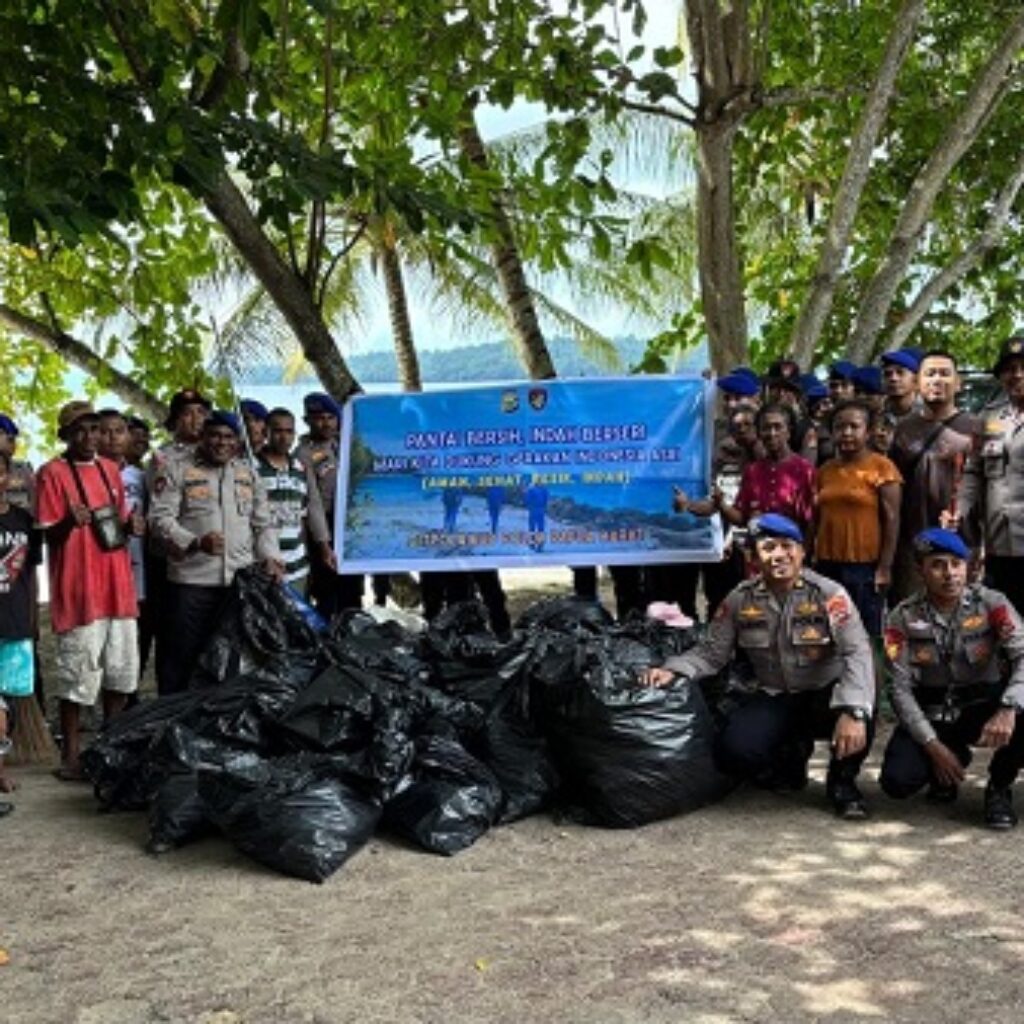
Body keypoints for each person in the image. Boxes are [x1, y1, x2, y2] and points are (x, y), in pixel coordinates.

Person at [643, 514, 875, 819]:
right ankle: (790, 755)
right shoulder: (740, 599)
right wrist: (674, 668)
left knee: (859, 719)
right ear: (753, 557)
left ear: (802, 552)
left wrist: (854, 710)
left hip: (824, 694)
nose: (778, 555)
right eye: (767, 548)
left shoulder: (830, 595)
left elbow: (857, 652)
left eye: (787, 546)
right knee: (734, 752)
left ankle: (843, 784)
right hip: (776, 695)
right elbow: (712, 653)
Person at [879, 528, 1024, 830]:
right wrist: (933, 746)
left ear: (968, 567)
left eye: (956, 564)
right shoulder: (901, 618)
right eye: (938, 564)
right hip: (932, 713)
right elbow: (899, 688)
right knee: (897, 781)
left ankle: (999, 787)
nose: (950, 574)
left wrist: (1009, 708)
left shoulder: (993, 604)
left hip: (982, 706)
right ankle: (944, 766)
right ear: (921, 570)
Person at [36, 401, 140, 780]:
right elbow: (46, 533)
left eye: (94, 429)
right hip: (80, 588)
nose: (90, 437)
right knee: (77, 675)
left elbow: (118, 522)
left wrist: (133, 527)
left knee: (120, 671)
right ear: (64, 435)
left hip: (117, 586)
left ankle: (108, 747)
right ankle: (72, 756)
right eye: (80, 430)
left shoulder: (111, 468)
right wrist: (68, 521)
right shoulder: (52, 473)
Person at [148, 411, 282, 695]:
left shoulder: (248, 473)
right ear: (202, 437)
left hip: (237, 584)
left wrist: (271, 556)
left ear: (236, 442)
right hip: (191, 585)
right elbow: (159, 520)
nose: (221, 443)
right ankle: (173, 723)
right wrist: (195, 542)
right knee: (181, 660)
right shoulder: (176, 468)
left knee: (229, 660)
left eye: (228, 437)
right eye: (215, 436)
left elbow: (263, 523)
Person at [888, 350, 976, 604]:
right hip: (912, 547)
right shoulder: (903, 430)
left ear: (958, 383)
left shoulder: (976, 428)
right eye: (930, 374)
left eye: (945, 374)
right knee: (912, 621)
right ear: (917, 383)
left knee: (964, 623)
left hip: (962, 544)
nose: (937, 380)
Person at [815, 399, 902, 637]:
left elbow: (892, 520)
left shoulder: (882, 467)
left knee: (865, 631)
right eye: (840, 427)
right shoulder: (824, 470)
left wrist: (884, 567)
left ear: (868, 431)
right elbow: (815, 517)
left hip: (864, 567)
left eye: (854, 426)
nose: (847, 433)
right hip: (827, 564)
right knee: (830, 630)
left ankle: (870, 674)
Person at [675, 403, 816, 546]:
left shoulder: (804, 470)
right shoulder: (753, 471)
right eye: (766, 428)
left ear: (789, 431)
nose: (772, 433)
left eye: (777, 427)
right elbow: (742, 518)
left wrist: (803, 556)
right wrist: (720, 505)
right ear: (760, 432)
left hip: (789, 554)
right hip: (756, 555)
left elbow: (810, 522)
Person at [956, 333, 1024, 612]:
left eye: (1023, 368)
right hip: (1000, 542)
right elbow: (974, 472)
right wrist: (960, 509)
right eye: (1009, 369)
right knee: (1004, 622)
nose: (1017, 375)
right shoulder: (989, 418)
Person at [296, 392, 365, 615]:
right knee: (327, 590)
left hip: (351, 525)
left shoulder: (346, 446)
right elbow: (313, 502)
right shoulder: (303, 455)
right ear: (307, 421)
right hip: (324, 526)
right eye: (319, 418)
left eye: (330, 417)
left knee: (353, 589)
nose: (326, 423)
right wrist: (324, 543)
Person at [0, 449, 43, 795]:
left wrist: (32, 621)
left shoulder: (24, 521)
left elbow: (31, 574)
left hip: (14, 623)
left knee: (11, 701)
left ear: (7, 477)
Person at [256, 407, 334, 596]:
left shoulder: (299, 468)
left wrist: (325, 549)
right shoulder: (252, 467)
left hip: (298, 567)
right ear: (266, 432)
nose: (284, 437)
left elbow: (313, 509)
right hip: (263, 566)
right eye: (278, 431)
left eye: (289, 431)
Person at [97, 409, 149, 679]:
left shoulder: (140, 476)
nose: (112, 438)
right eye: (104, 431)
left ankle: (129, 697)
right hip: (100, 568)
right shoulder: (87, 473)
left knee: (133, 638)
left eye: (119, 431)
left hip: (137, 566)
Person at [0, 414, 35, 512]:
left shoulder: (23, 469)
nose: (13, 444)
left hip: (19, 524)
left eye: (14, 440)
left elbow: (35, 503)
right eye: (9, 439)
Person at [880, 349, 921, 421]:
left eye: (900, 373)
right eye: (887, 374)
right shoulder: (877, 413)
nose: (893, 379)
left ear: (916, 380)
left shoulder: (932, 413)